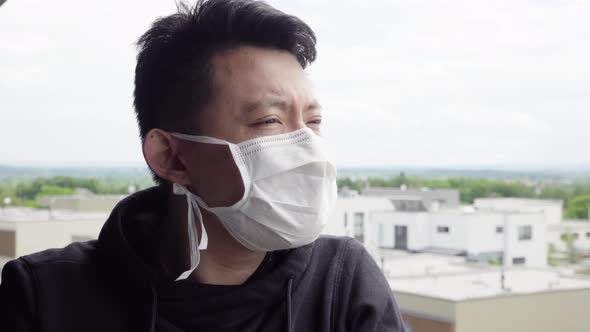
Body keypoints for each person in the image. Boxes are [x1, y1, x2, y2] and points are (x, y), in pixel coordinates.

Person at [0, 0, 405, 331]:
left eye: (313, 122)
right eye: (270, 121)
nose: (307, 147)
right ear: (171, 157)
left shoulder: (342, 283)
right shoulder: (45, 296)